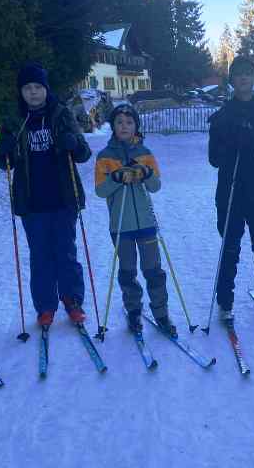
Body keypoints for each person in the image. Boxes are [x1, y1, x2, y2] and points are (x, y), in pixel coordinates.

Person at [0, 63, 91, 329]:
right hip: (32, 201)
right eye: (28, 88)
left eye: (38, 87)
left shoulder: (61, 114)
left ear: (46, 89)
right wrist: (3, 150)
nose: (33, 92)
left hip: (63, 198)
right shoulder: (15, 119)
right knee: (40, 256)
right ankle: (45, 306)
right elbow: (3, 162)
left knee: (66, 252)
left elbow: (83, 153)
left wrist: (73, 143)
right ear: (21, 91)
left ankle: (72, 300)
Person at [208, 56, 254, 324]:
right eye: (238, 74)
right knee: (230, 247)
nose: (243, 78)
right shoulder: (222, 117)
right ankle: (225, 302)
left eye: (248, 74)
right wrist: (233, 142)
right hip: (231, 193)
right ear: (232, 80)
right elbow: (214, 159)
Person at [94, 104, 176, 336]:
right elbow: (100, 190)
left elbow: (155, 186)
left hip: (146, 224)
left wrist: (146, 173)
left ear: (136, 126)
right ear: (113, 126)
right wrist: (117, 178)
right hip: (121, 226)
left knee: (153, 270)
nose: (124, 126)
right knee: (128, 271)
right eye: (119, 122)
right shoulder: (105, 157)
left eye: (129, 123)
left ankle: (161, 313)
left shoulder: (145, 154)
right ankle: (133, 311)